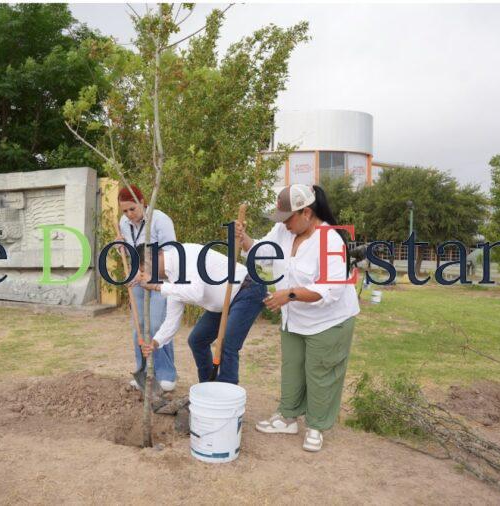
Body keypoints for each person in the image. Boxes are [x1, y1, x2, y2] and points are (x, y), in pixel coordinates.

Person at [236, 184, 360, 452]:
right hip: (295, 317)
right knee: (292, 366)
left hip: (328, 320)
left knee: (320, 372)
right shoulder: (283, 230)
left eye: (288, 218)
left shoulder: (330, 240)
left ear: (306, 212)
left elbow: (330, 288)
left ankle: (316, 426)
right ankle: (288, 417)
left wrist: (288, 295)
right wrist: (243, 238)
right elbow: (263, 254)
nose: (284, 225)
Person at [137, 242, 267, 384]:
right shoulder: (171, 280)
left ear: (158, 254)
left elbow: (196, 292)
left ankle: (226, 393)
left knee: (228, 344)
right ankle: (208, 386)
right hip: (223, 304)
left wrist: (157, 286)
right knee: (197, 340)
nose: (150, 275)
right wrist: (154, 343)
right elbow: (171, 321)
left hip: (246, 290)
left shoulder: (186, 254)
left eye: (148, 269)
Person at [117, 185, 178, 391]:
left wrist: (148, 273)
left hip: (160, 277)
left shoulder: (160, 220)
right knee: (139, 325)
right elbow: (130, 251)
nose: (128, 214)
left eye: (132, 209)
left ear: (142, 202)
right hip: (136, 279)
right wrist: (121, 247)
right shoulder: (124, 222)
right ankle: (143, 371)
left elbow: (171, 253)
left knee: (157, 325)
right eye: (124, 211)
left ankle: (166, 374)